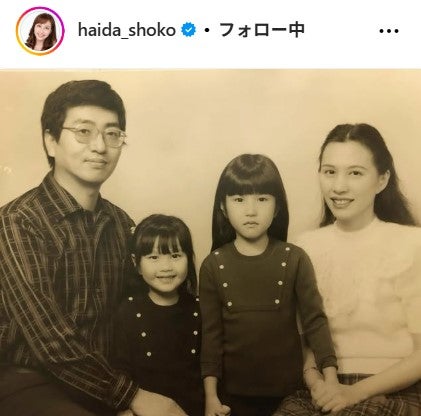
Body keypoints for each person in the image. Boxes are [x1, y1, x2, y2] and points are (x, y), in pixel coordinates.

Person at [0, 80, 187, 416]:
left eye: (112, 133)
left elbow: (140, 311)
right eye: (83, 131)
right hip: (28, 382)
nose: (100, 146)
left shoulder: (121, 223)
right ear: (51, 141)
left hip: (106, 381)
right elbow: (49, 340)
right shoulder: (18, 221)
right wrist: (131, 397)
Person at [275, 123, 421, 416]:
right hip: (322, 389)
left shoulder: (411, 243)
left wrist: (354, 392)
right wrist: (317, 383)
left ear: (382, 180)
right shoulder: (304, 247)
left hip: (392, 389)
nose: (338, 187)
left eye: (355, 173)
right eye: (329, 172)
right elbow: (305, 342)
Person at [199, 153, 338, 416]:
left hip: (291, 394)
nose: (251, 210)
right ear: (223, 207)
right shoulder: (213, 266)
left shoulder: (295, 258)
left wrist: (331, 381)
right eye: (239, 199)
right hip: (233, 397)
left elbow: (315, 321)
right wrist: (211, 397)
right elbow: (211, 337)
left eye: (262, 199)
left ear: (277, 208)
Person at [113, 214, 204, 416]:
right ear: (136, 263)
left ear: (189, 258)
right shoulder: (127, 311)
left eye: (175, 256)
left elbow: (211, 368)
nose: (166, 267)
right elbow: (121, 369)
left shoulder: (200, 309)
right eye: (153, 257)